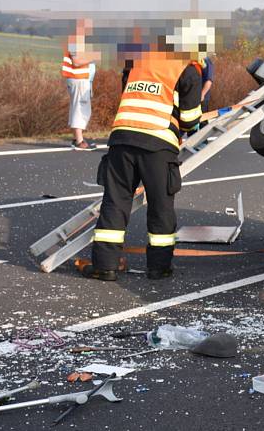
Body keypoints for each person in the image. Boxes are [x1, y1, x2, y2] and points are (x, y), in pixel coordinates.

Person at [84, 21, 208, 282]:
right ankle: (159, 267)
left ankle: (105, 266)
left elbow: (130, 96)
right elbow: (189, 119)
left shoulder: (137, 61)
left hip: (122, 139)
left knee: (115, 202)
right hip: (158, 143)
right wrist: (189, 121)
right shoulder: (188, 70)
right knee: (161, 207)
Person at [61, 19, 98, 150]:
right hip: (79, 79)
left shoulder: (76, 40)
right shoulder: (76, 40)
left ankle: (77, 138)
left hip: (79, 80)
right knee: (81, 109)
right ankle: (79, 142)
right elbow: (76, 61)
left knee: (77, 107)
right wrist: (93, 56)